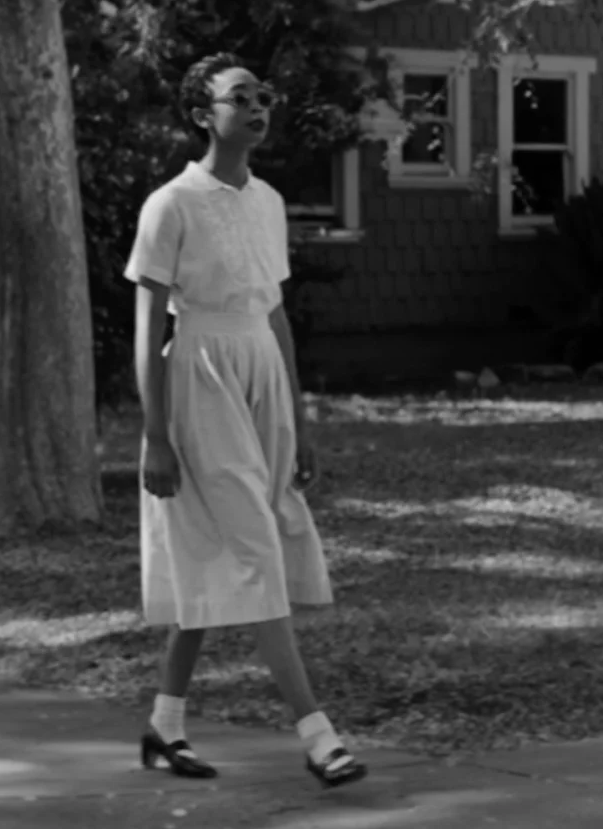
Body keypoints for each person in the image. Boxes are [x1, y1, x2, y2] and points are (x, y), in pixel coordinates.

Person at [125, 52, 366, 789]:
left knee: (227, 545)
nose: (258, 106)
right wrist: (156, 432)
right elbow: (145, 329)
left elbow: (276, 312)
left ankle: (165, 725)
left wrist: (299, 414)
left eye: (263, 95)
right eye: (240, 96)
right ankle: (318, 734)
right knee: (254, 548)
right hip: (199, 377)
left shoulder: (269, 201)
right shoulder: (170, 204)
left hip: (260, 369)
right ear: (204, 114)